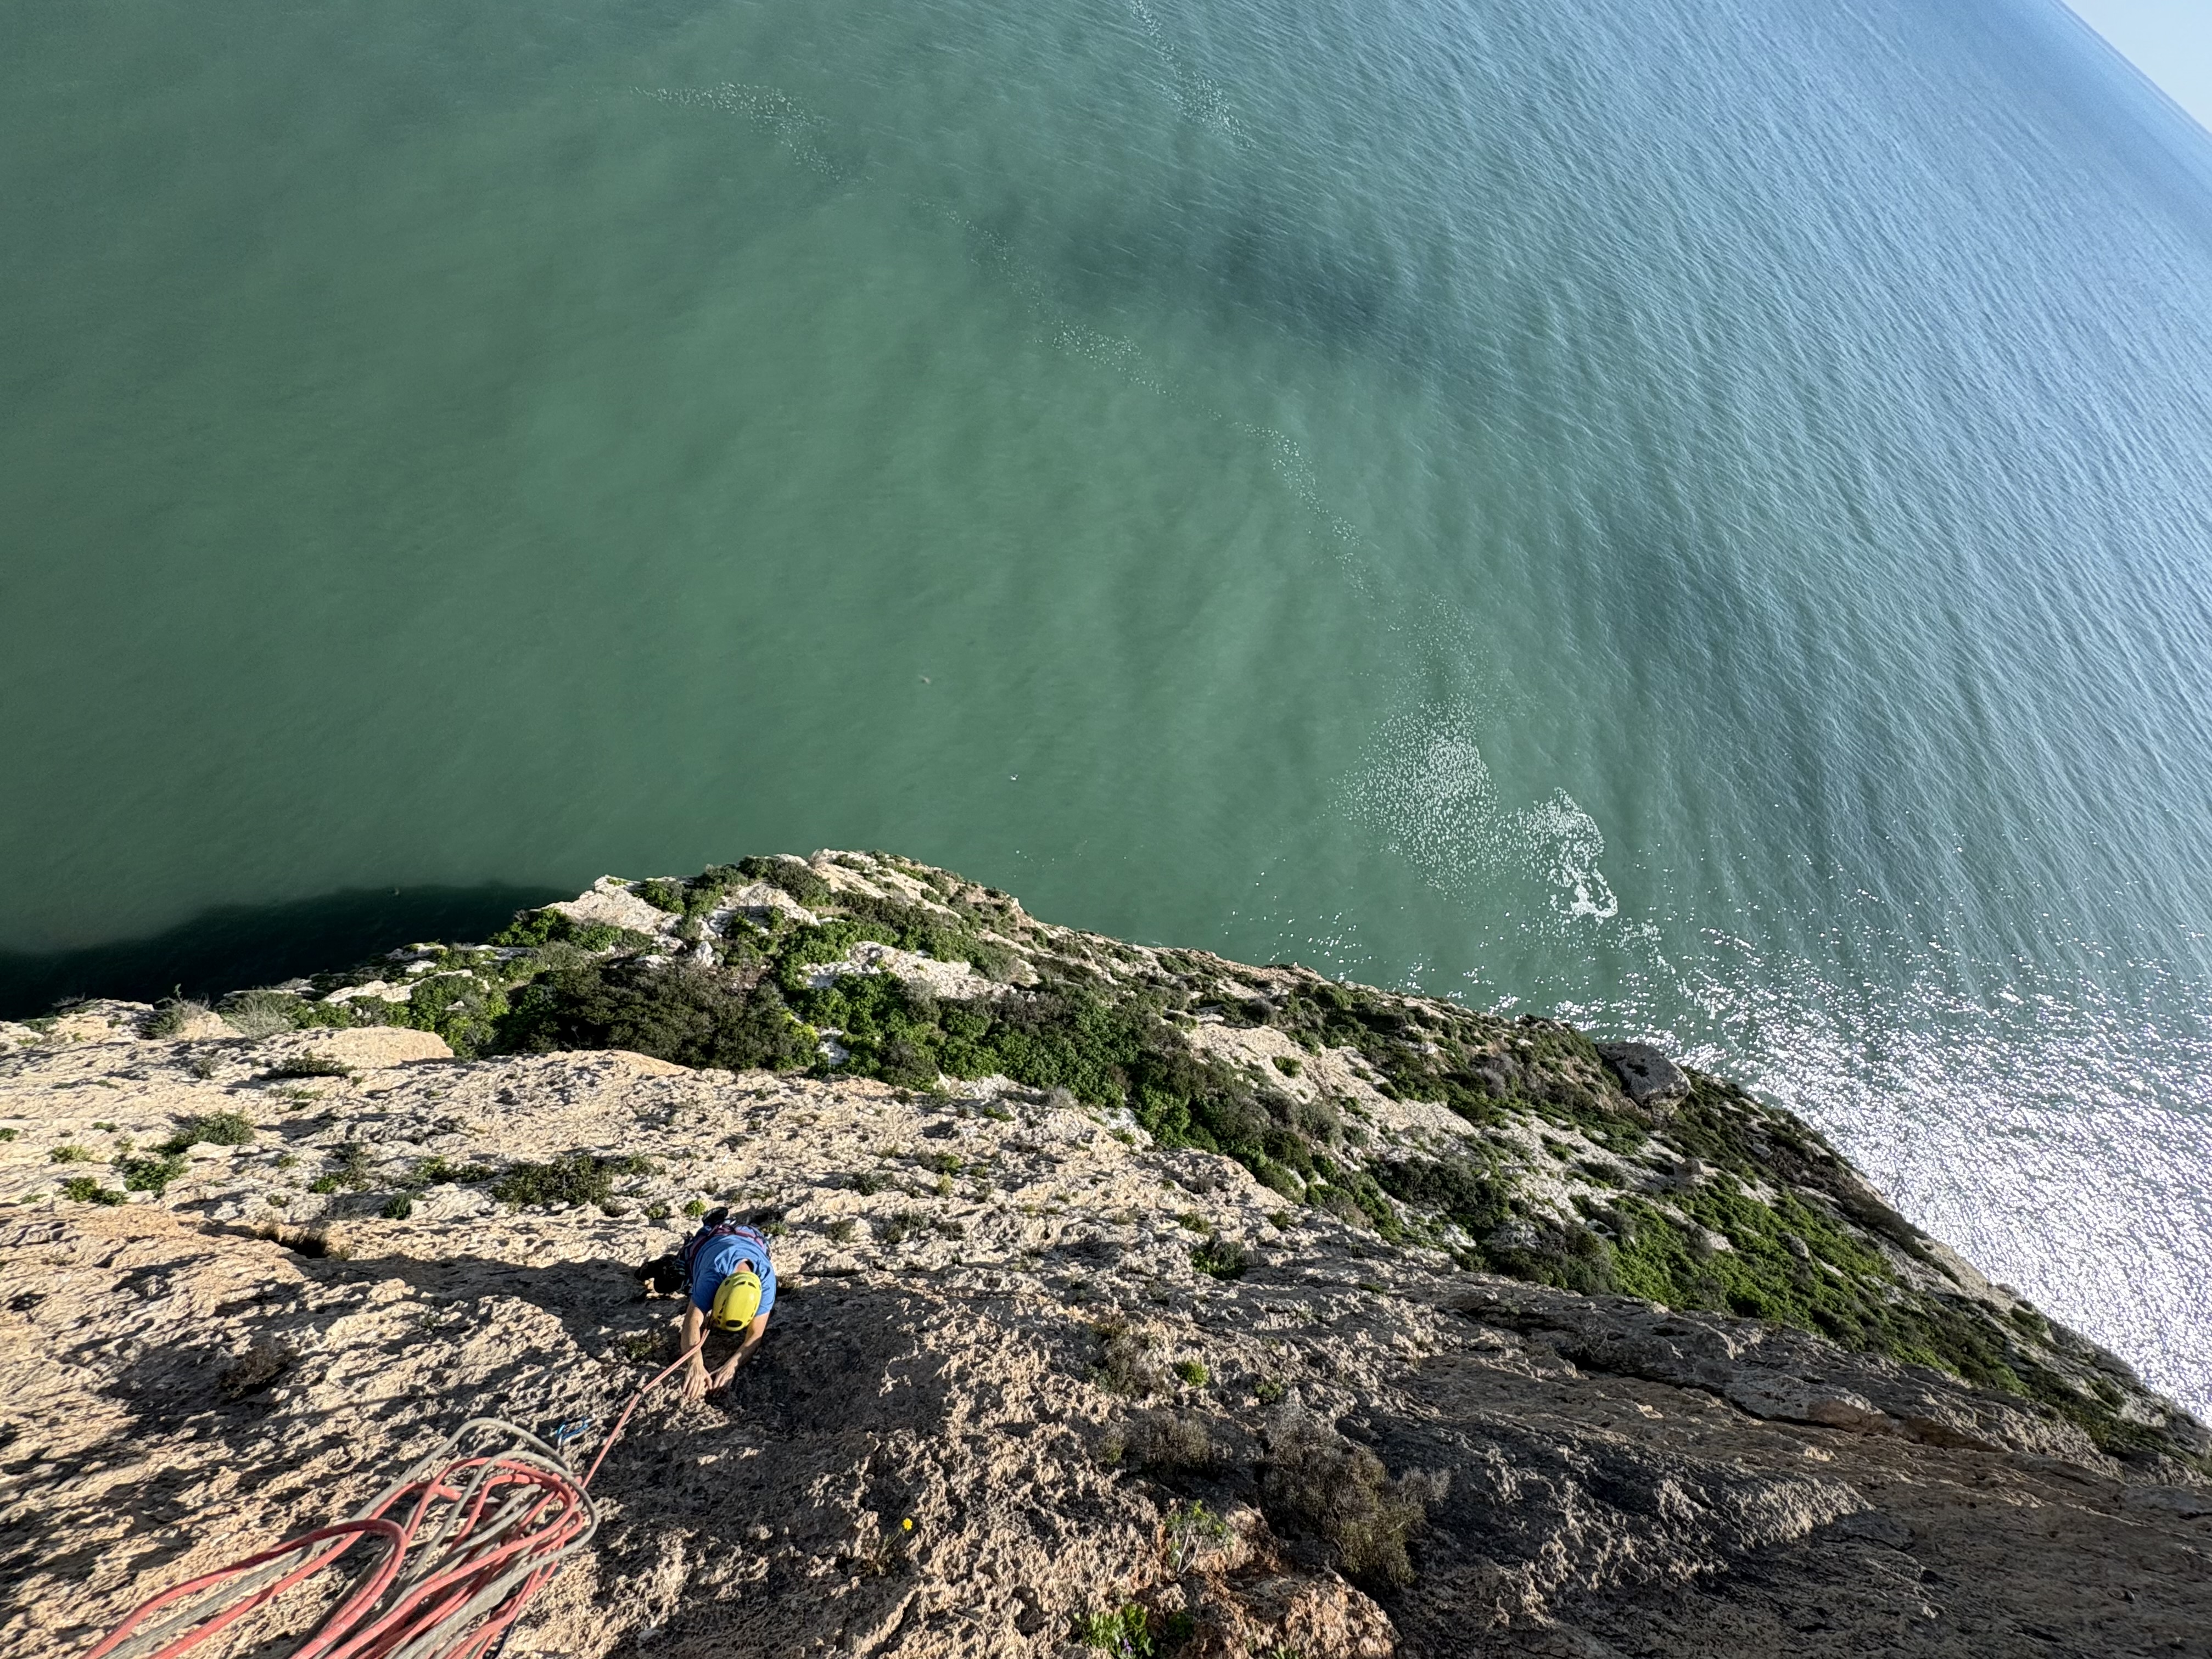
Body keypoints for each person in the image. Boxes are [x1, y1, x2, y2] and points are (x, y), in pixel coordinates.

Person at [674, 1213, 777, 1401]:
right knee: (679, 1279)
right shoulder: (712, 1274)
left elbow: (756, 1334)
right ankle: (711, 1225)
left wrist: (732, 1366)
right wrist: (695, 1363)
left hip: (752, 1239)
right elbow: (693, 1319)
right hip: (710, 1244)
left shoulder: (767, 1283)